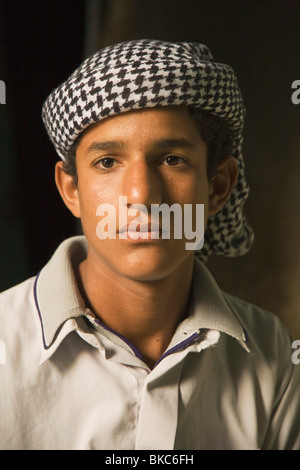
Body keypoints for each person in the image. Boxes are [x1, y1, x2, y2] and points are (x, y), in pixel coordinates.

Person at [0, 39, 299, 450]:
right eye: (107, 162)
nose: (141, 195)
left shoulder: (271, 351)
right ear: (71, 189)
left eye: (172, 159)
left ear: (217, 187)